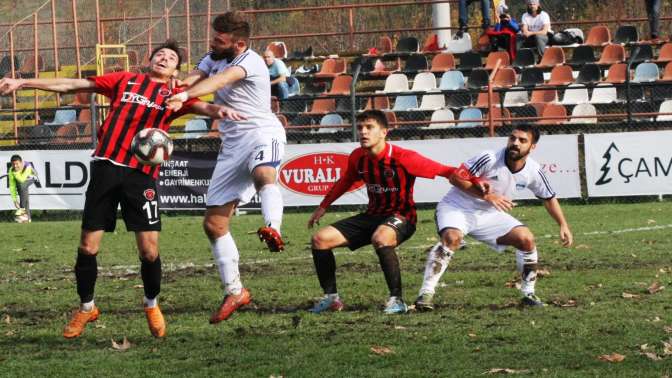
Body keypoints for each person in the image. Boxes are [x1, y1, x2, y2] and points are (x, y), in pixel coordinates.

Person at [0, 39, 242, 339]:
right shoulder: (125, 80)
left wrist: (222, 111)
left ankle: (151, 305)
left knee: (149, 251)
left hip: (141, 177)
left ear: (176, 70)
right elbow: (73, 85)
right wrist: (24, 82)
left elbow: (205, 106)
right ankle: (87, 307)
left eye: (170, 57)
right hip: (105, 168)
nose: (163, 58)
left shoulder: (176, 94)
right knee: (88, 246)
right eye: (159, 54)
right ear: (149, 60)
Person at [166, 11, 287, 324]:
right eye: (213, 37)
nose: (213, 43)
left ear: (239, 43)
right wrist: (179, 86)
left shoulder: (250, 62)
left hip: (261, 132)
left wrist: (183, 95)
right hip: (231, 144)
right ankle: (235, 292)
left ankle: (273, 227)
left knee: (264, 175)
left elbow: (219, 81)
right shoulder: (214, 54)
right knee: (214, 224)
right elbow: (197, 74)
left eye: (219, 40)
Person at [306, 110, 485, 315]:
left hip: (402, 216)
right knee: (320, 239)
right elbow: (346, 180)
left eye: (369, 127)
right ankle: (331, 299)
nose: (363, 132)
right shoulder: (358, 157)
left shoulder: (404, 158)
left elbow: (446, 170)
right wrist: (323, 206)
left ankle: (397, 299)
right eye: (360, 127)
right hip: (372, 215)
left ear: (384, 132)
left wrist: (478, 182)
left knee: (381, 238)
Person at [414, 124, 573, 311]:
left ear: (532, 147)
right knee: (452, 238)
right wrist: (487, 196)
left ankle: (528, 294)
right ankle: (426, 294)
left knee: (526, 239)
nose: (515, 143)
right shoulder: (489, 158)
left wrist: (563, 225)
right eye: (512, 138)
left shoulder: (534, 171)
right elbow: (456, 178)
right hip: (457, 208)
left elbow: (549, 198)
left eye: (522, 140)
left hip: (490, 215)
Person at [7, 154, 39, 223]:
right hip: (21, 179)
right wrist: (15, 200)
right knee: (24, 195)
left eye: (17, 164)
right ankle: (28, 219)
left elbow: (22, 179)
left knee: (21, 186)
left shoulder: (27, 166)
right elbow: (12, 186)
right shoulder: (11, 170)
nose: (15, 166)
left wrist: (15, 173)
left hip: (32, 178)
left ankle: (22, 211)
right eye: (13, 164)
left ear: (21, 162)